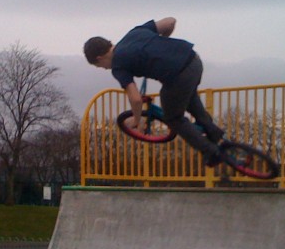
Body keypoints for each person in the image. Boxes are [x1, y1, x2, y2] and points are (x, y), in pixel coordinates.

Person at [83, 17, 227, 166]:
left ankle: (211, 152)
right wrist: (162, 47)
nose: (106, 69)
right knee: (188, 98)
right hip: (194, 60)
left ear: (99, 58)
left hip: (178, 76)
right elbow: (170, 21)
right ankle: (213, 132)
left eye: (101, 66)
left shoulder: (118, 66)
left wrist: (137, 120)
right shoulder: (134, 33)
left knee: (173, 117)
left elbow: (136, 99)